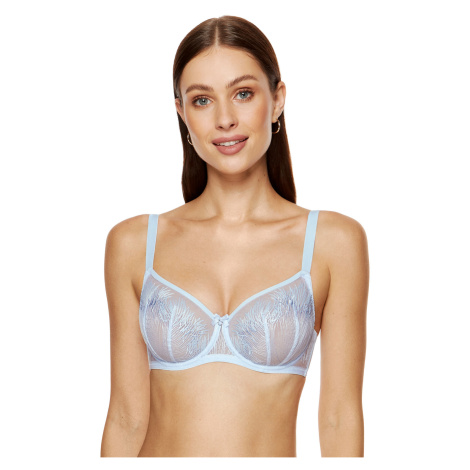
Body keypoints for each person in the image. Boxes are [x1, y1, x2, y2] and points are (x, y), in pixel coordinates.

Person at [100, 15, 369, 458]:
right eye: (202, 100)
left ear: (277, 100)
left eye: (243, 94)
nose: (225, 119)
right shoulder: (132, 244)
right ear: (182, 113)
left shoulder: (332, 242)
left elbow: (339, 418)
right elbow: (126, 418)